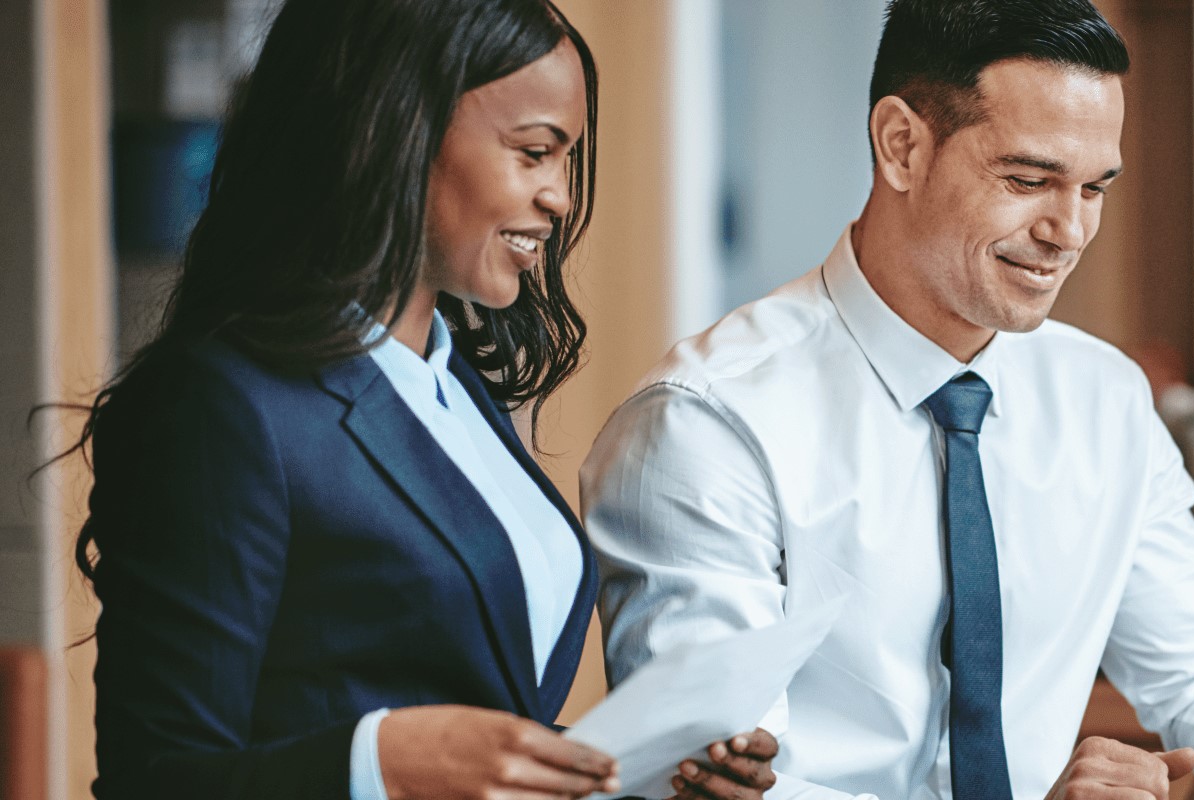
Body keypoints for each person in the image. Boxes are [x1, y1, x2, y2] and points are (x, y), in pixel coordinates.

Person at [76, 1, 774, 798]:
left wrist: (640, 770)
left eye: (565, 159)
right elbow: (153, 778)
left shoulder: (451, 387)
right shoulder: (225, 407)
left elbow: (470, 714)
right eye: (535, 152)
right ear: (397, 129)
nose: (560, 197)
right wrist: (378, 764)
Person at [582, 1, 1194, 798]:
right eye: (1027, 179)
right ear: (901, 145)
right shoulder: (708, 423)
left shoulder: (1105, 402)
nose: (1070, 230)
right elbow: (702, 780)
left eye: (1094, 188)